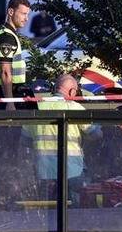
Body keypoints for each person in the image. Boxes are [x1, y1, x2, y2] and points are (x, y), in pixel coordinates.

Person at [23, 74, 100, 206]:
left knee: (46, 212)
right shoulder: (75, 108)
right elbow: (97, 134)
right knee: (76, 211)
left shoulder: (38, 108)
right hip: (72, 170)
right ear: (72, 91)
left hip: (44, 170)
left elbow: (25, 141)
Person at [0, 0, 30, 111]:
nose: (26, 18)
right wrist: (10, 102)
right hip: (5, 96)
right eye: (23, 14)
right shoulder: (6, 38)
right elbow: (5, 72)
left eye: (27, 14)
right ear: (11, 12)